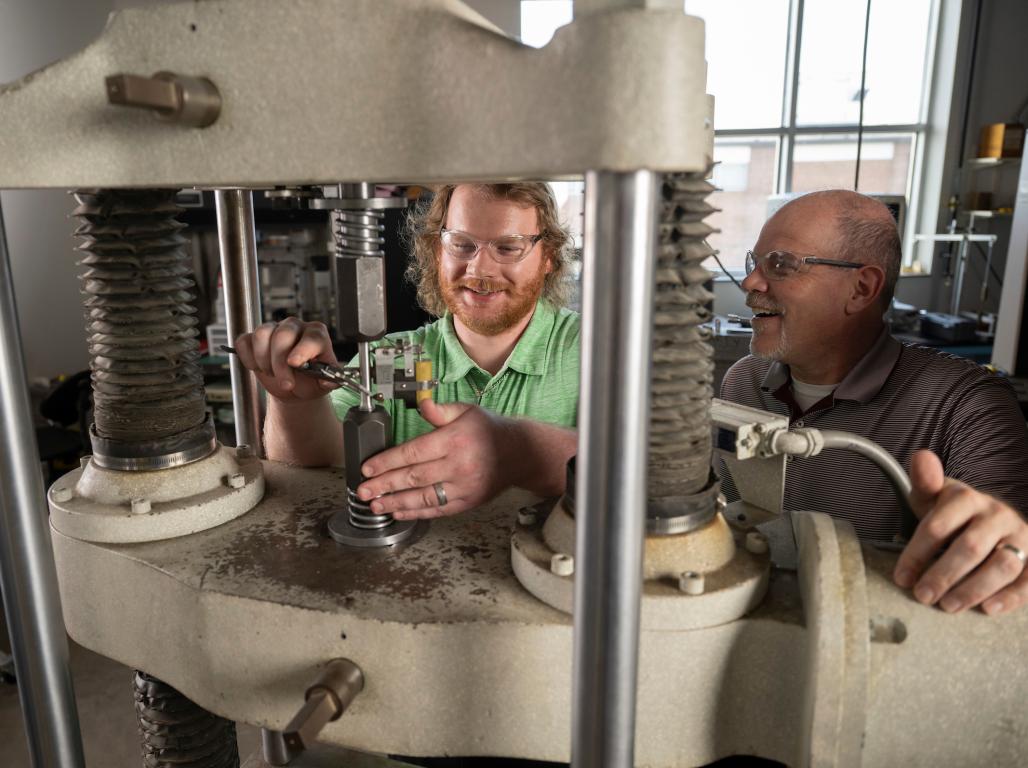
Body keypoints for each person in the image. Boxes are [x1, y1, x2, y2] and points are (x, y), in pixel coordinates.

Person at [719, 189, 1028, 616]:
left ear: (862, 288)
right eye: (756, 263)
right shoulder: (744, 383)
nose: (750, 282)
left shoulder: (967, 406)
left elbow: (1006, 548)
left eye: (780, 264)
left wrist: (1007, 546)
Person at [233, 182, 579, 520]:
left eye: (507, 247)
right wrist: (295, 401)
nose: (479, 269)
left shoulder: (596, 352)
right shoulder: (392, 357)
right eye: (461, 244)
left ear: (548, 255)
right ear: (438, 249)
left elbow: (632, 466)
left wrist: (516, 451)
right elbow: (316, 469)